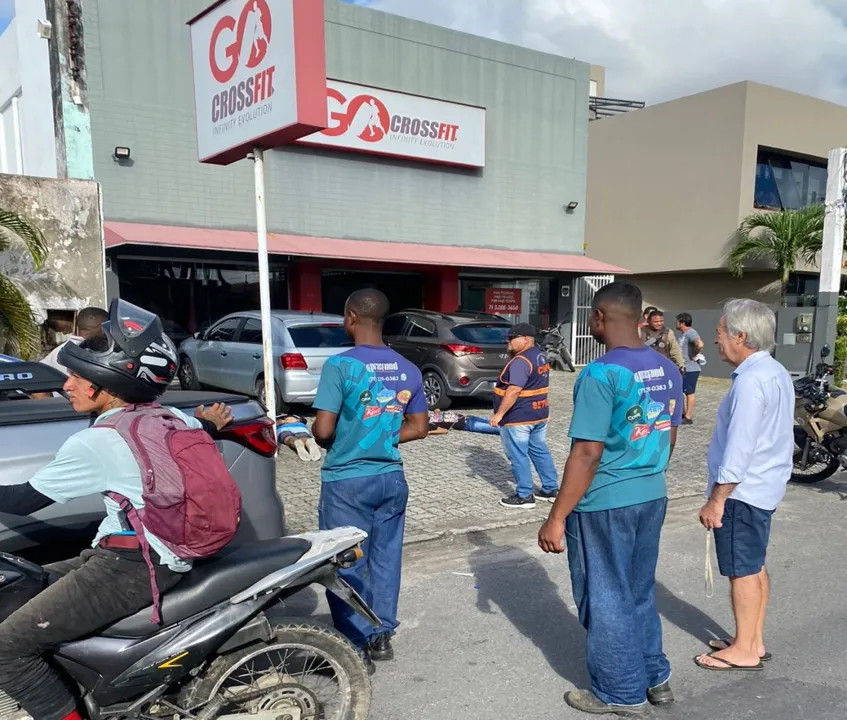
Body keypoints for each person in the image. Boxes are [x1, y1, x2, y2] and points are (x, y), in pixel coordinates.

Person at [0, 300, 233, 720]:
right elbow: (204, 428)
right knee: (18, 589)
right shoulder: (168, 417)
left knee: (7, 648)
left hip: (130, 567)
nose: (66, 385)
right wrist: (213, 423)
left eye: (77, 376)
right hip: (137, 553)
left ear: (106, 383)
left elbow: (20, 502)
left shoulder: (99, 440)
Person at [538, 281, 683, 716]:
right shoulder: (666, 368)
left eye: (591, 317)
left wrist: (556, 516)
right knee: (637, 590)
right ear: (639, 316)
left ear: (599, 317)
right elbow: (669, 435)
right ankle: (655, 677)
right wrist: (648, 475)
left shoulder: (601, 374)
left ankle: (620, 692)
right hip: (651, 494)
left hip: (605, 501)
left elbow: (586, 452)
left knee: (606, 596)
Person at [312, 289, 428, 666]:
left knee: (346, 562)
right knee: (385, 559)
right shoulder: (407, 368)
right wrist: (379, 434)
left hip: (347, 481)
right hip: (391, 480)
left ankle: (353, 643)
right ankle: (382, 636)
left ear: (350, 317)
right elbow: (420, 427)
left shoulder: (340, 366)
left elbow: (324, 431)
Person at [695, 299, 793, 672]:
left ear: (740, 336)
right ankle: (751, 639)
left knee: (743, 569)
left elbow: (740, 446)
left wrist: (717, 499)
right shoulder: (774, 371)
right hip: (764, 486)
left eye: (720, 332)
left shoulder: (751, 381)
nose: (716, 339)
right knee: (754, 565)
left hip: (743, 491)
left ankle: (746, 651)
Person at [492, 323, 560, 509]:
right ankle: (550, 489)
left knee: (517, 455)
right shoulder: (539, 355)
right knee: (539, 450)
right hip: (539, 413)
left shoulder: (521, 361)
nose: (508, 341)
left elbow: (514, 390)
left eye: (511, 338)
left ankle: (524, 495)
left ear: (525, 339)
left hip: (518, 418)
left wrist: (499, 415)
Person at [40, 306, 109, 375]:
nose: (110, 331)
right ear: (102, 327)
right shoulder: (83, 352)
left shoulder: (65, 348)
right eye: (108, 326)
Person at [675, 312, 705, 425]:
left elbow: (700, 344)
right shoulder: (683, 334)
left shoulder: (691, 333)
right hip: (683, 368)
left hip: (691, 368)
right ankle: (682, 413)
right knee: (681, 391)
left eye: (677, 321)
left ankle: (688, 416)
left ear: (682, 323)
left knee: (689, 392)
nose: (676, 323)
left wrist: (696, 352)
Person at [427, 409, 500, 436]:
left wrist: (436, 412)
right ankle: (508, 432)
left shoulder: (430, 416)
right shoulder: (430, 425)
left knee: (496, 422)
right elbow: (444, 430)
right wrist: (429, 433)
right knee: (495, 428)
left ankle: (510, 428)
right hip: (467, 425)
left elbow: (438, 409)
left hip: (468, 417)